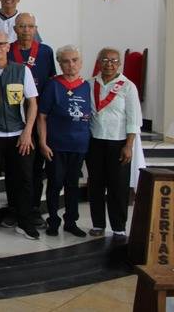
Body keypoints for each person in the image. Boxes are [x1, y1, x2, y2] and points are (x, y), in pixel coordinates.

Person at [0, 30, 39, 239]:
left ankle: (25, 222)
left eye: (0, 44)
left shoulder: (22, 71)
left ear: (8, 46)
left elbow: (32, 103)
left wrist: (27, 132)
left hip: (19, 135)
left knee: (23, 180)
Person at [87, 47, 142, 239]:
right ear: (99, 62)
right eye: (105, 60)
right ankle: (98, 224)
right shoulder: (90, 83)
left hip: (118, 143)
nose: (109, 64)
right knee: (95, 184)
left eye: (113, 61)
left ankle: (118, 227)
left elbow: (134, 119)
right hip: (94, 141)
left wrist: (129, 145)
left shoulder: (128, 86)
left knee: (118, 186)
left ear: (119, 64)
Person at [38, 45, 91, 237]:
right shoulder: (53, 85)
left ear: (81, 62)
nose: (71, 65)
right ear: (59, 63)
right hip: (56, 146)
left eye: (75, 60)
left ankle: (71, 221)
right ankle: (53, 220)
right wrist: (43, 143)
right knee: (55, 184)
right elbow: (42, 116)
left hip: (79, 145)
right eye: (66, 61)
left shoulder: (87, 86)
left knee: (72, 185)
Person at [8, 12, 55, 228]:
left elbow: (51, 82)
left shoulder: (45, 52)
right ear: (15, 29)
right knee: (12, 165)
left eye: (30, 26)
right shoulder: (7, 50)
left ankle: (34, 208)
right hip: (12, 115)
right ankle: (12, 208)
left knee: (36, 166)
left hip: (38, 116)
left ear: (35, 29)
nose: (26, 30)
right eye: (22, 26)